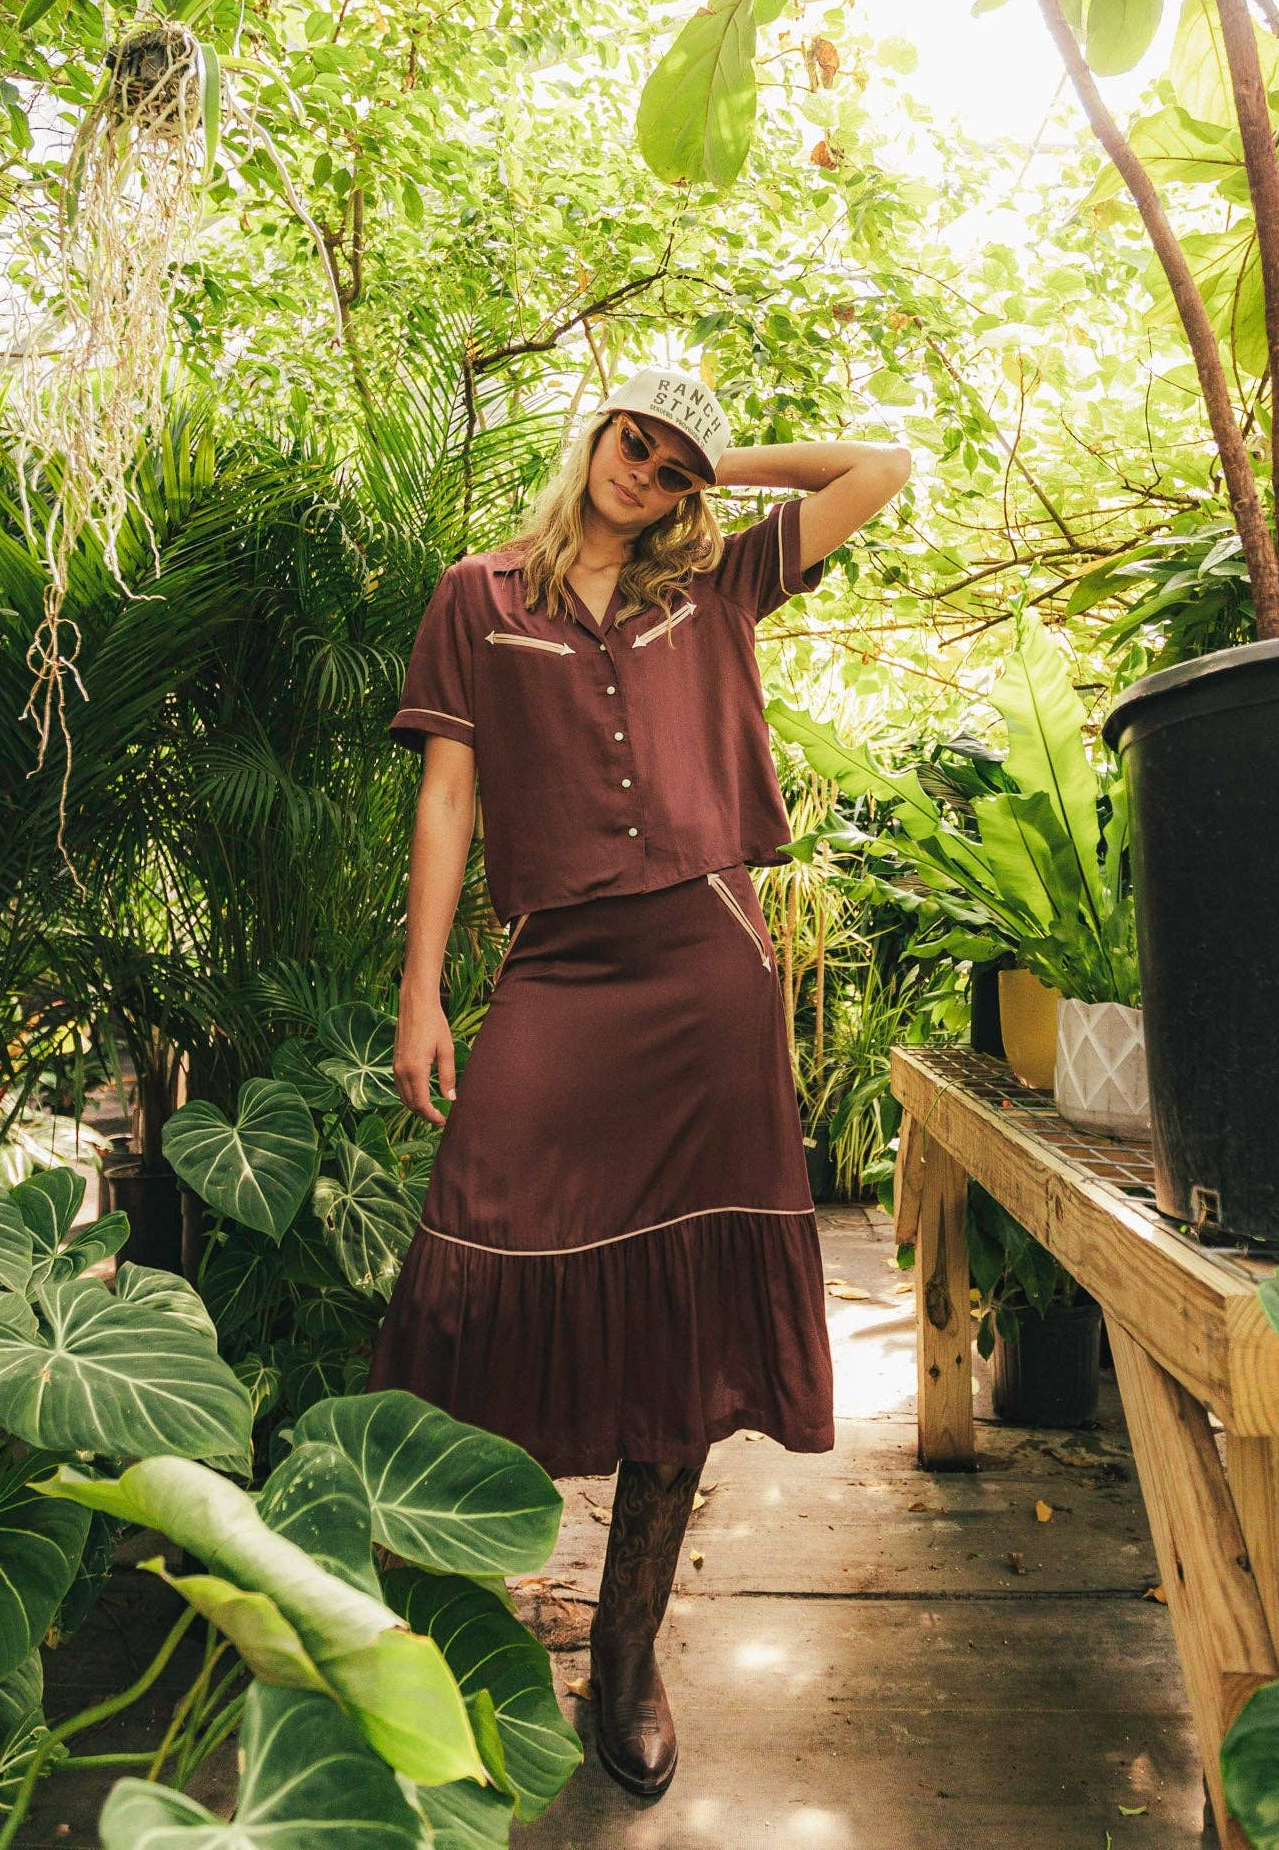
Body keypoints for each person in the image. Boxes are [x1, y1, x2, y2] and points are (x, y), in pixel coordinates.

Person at [371, 364, 910, 1800]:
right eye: (637, 443)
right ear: (592, 431)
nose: (649, 475)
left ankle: (626, 1650)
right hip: (560, 964)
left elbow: (882, 467)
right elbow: (448, 797)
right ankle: (430, 1609)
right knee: (473, 1246)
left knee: (691, 1295)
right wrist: (423, 990)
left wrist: (723, 463)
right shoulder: (476, 594)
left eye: (675, 465)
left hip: (706, 963)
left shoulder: (714, 585)